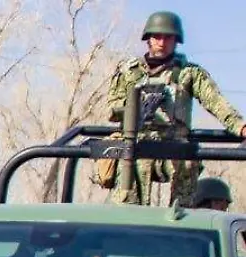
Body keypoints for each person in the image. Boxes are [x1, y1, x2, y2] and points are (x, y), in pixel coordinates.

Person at [103, 11, 246, 206]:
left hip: (174, 146)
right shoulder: (129, 71)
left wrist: (240, 127)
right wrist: (136, 108)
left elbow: (216, 102)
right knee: (126, 191)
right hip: (136, 143)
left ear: (176, 41)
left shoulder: (189, 73)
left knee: (189, 164)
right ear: (148, 39)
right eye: (157, 37)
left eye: (168, 37)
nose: (162, 42)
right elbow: (112, 107)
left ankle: (181, 216)